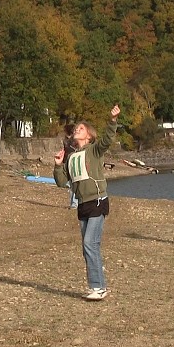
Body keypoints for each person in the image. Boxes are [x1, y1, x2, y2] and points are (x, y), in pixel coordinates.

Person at [53, 105, 120, 301]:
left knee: (90, 243)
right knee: (88, 246)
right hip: (82, 204)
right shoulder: (71, 156)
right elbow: (61, 181)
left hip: (98, 201)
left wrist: (113, 121)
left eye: (80, 129)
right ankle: (97, 286)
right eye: (75, 129)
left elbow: (107, 140)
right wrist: (57, 166)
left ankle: (98, 287)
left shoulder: (94, 150)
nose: (76, 130)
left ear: (88, 136)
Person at [62, 124, 78, 209]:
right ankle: (74, 203)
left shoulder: (71, 141)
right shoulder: (68, 141)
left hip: (72, 163)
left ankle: (74, 203)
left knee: (73, 184)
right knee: (73, 184)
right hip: (69, 163)